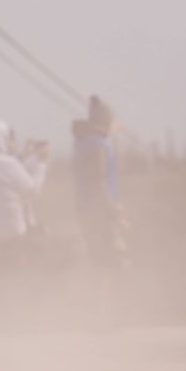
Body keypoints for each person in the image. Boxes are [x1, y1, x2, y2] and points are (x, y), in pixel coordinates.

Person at [0, 120, 49, 271]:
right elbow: (32, 190)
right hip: (10, 233)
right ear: (0, 139)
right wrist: (41, 163)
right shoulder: (7, 163)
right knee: (12, 275)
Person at [72, 96, 126, 271]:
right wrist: (113, 209)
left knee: (99, 257)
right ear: (104, 121)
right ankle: (110, 295)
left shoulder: (83, 141)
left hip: (87, 207)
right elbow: (98, 181)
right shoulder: (97, 144)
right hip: (100, 211)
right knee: (113, 258)